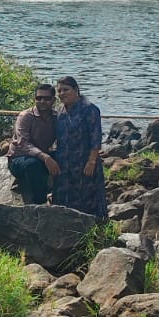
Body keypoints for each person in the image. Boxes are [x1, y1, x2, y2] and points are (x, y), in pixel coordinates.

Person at [52, 76, 108, 217]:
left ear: (76, 90)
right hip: (64, 163)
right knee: (63, 199)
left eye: (66, 89)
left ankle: (94, 230)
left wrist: (92, 161)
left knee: (88, 198)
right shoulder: (60, 111)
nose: (62, 93)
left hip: (84, 162)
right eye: (59, 91)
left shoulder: (89, 109)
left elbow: (96, 137)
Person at [7, 83, 59, 203]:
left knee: (67, 158)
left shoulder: (57, 118)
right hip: (19, 159)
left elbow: (66, 138)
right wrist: (45, 157)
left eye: (46, 98)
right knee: (33, 165)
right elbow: (23, 144)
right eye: (39, 98)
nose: (42, 101)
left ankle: (60, 195)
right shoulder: (25, 117)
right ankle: (38, 203)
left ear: (53, 100)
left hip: (41, 157)